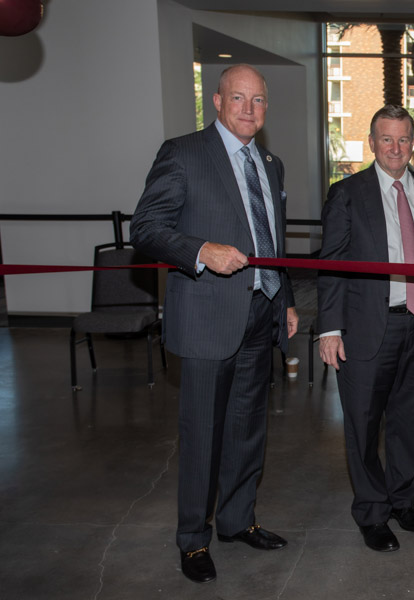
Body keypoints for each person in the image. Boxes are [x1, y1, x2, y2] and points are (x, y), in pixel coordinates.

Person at [130, 64, 298, 584]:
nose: (249, 109)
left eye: (259, 101)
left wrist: (286, 300)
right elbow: (146, 227)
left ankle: (237, 520)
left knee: (249, 427)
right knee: (202, 433)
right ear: (218, 103)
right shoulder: (182, 153)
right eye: (239, 99)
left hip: (259, 313)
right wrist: (200, 250)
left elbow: (273, 242)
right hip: (207, 316)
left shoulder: (272, 164)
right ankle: (193, 540)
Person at [317, 105, 414, 553]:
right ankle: (372, 512)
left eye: (404, 139)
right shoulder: (347, 193)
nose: (395, 148)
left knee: (409, 420)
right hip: (367, 326)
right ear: (372, 142)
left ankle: (401, 501)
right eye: (386, 139)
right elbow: (330, 263)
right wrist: (329, 328)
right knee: (363, 422)